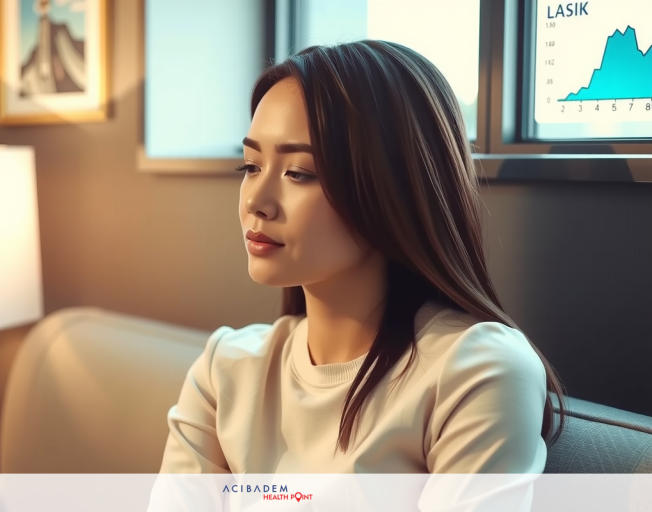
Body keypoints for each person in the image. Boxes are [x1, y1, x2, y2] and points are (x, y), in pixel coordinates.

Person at [159, 40, 566, 475]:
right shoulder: (226, 368)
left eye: (299, 173)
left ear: (394, 189)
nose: (257, 201)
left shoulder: (473, 371)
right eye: (251, 166)